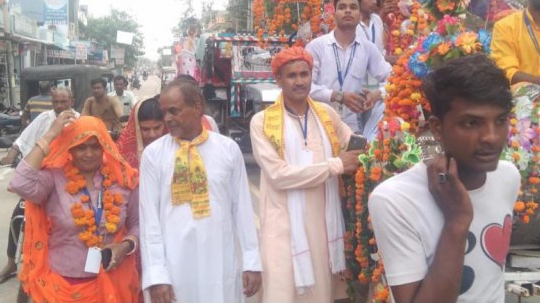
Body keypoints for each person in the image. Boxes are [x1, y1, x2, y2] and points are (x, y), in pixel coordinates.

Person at [369, 55, 520, 303]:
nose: (492, 137)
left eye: (501, 121)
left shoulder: (507, 177)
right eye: (472, 123)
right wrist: (457, 221)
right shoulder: (394, 200)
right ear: (437, 127)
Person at [249, 47, 363, 302]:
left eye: (305, 74)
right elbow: (279, 175)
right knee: (282, 289)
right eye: (291, 76)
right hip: (282, 223)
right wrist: (335, 166)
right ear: (278, 80)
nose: (299, 81)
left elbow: (352, 144)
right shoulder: (262, 121)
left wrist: (391, 136)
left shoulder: (327, 114)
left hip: (323, 221)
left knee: (320, 291)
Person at [139, 78, 261, 302]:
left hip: (219, 262)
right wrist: (157, 276)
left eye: (174, 111)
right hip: (174, 266)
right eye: (165, 112)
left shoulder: (228, 150)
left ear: (198, 107)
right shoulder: (154, 155)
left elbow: (242, 208)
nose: (167, 119)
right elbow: (149, 222)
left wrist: (252, 262)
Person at [9, 115, 140, 303]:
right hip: (61, 286)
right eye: (81, 147)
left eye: (95, 146)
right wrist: (50, 135)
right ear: (70, 148)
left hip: (113, 281)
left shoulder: (122, 180)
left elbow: (137, 224)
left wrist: (125, 246)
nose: (89, 154)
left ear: (104, 146)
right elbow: (19, 184)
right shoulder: (53, 178)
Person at [0, 87, 76, 289]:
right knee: (18, 216)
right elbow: (23, 139)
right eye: (55, 102)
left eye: (63, 102)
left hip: (69, 181)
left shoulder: (80, 121)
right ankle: (12, 263)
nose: (59, 106)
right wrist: (11, 155)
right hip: (42, 179)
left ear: (71, 101)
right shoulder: (44, 119)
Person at [306, 0, 392, 140]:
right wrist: (338, 96)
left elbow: (392, 79)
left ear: (359, 16)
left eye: (353, 7)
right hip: (319, 125)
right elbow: (306, 87)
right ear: (334, 14)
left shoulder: (367, 48)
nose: (347, 11)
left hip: (353, 129)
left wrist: (377, 94)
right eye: (342, 7)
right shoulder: (316, 46)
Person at [116, 96, 167, 169]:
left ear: (165, 125)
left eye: (157, 128)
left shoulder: (177, 149)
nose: (152, 135)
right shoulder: (122, 152)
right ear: (135, 127)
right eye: (145, 129)